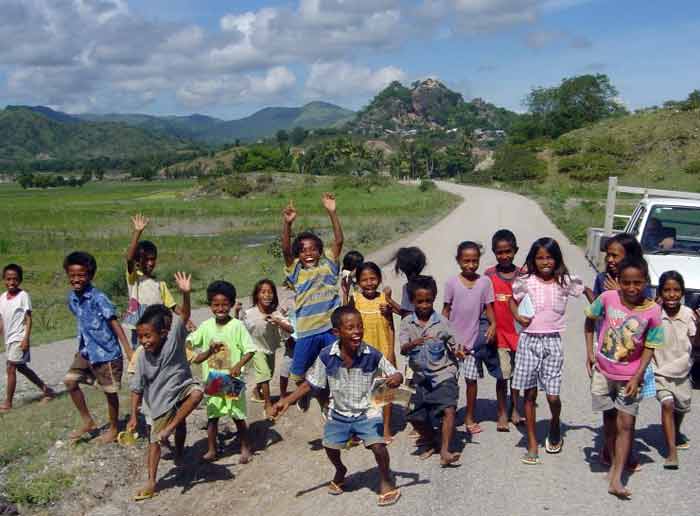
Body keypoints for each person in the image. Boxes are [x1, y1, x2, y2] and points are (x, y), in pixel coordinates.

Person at [272, 306, 403, 507]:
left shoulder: (372, 354)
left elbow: (395, 373)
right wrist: (287, 401)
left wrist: (396, 378)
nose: (357, 331)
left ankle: (386, 479)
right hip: (339, 412)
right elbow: (310, 383)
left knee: (378, 446)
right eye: (350, 327)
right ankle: (340, 469)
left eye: (359, 326)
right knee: (330, 446)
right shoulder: (326, 355)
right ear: (336, 333)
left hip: (367, 411)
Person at [584, 256, 664, 498]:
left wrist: (638, 376)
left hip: (630, 378)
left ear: (646, 282)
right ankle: (610, 453)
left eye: (638, 283)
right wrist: (590, 352)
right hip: (603, 373)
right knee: (609, 419)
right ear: (618, 281)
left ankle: (617, 478)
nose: (632, 288)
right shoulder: (607, 299)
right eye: (626, 282)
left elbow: (650, 346)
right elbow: (589, 320)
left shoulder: (653, 311)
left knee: (627, 424)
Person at [127, 272, 204, 501]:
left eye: (148, 336)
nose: (144, 341)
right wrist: (133, 416)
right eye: (140, 337)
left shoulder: (174, 339)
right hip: (159, 401)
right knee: (155, 441)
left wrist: (185, 294)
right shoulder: (142, 356)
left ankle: (178, 450)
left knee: (197, 393)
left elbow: (185, 315)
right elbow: (136, 387)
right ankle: (151, 480)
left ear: (162, 333)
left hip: (182, 387)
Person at [510, 238, 584, 464]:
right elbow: (512, 302)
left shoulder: (564, 281)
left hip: (552, 341)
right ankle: (532, 443)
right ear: (533, 260)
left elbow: (588, 292)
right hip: (529, 341)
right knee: (529, 395)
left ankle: (554, 422)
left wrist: (608, 306)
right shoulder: (526, 281)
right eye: (540, 257)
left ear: (557, 259)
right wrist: (517, 316)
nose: (545, 262)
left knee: (552, 396)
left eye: (549, 257)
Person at [584, 232, 650, 470]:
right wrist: (599, 294)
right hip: (607, 349)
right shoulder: (602, 278)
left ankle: (626, 451)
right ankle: (609, 449)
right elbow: (596, 310)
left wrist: (622, 292)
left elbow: (646, 311)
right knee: (608, 408)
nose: (610, 259)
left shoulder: (639, 282)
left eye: (615, 255)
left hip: (632, 355)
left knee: (628, 410)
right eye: (608, 254)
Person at [63, 251, 133, 443]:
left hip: (107, 353)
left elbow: (113, 322)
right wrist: (81, 345)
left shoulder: (98, 298)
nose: (76, 279)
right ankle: (88, 421)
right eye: (72, 275)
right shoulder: (72, 298)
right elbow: (82, 322)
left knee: (110, 391)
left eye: (81, 275)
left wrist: (127, 349)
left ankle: (113, 427)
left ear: (90, 275)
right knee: (70, 381)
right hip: (87, 352)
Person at [281, 193, 343, 395]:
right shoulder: (297, 273)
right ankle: (305, 395)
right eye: (303, 250)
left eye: (313, 249)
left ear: (320, 252)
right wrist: (288, 225)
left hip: (329, 329)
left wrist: (332, 212)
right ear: (298, 255)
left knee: (337, 368)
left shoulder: (329, 269)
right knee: (298, 374)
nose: (308, 253)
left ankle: (330, 400)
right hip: (307, 331)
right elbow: (286, 252)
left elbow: (339, 241)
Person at [188, 280, 256, 463]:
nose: (220, 308)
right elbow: (190, 341)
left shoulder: (237, 326)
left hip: (232, 379)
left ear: (232, 304)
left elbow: (250, 350)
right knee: (213, 416)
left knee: (237, 416)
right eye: (216, 304)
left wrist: (237, 366)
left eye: (225, 304)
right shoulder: (206, 326)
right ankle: (212, 450)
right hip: (213, 379)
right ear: (210, 305)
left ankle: (245, 447)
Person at [401, 276, 463, 467]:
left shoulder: (442, 323)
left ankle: (445, 450)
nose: (425, 305)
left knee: (449, 409)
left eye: (428, 300)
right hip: (420, 376)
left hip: (443, 372)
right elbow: (403, 349)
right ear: (412, 301)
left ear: (434, 298)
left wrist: (460, 351)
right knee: (414, 416)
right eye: (420, 301)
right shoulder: (407, 323)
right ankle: (433, 439)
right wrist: (413, 343)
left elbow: (455, 344)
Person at [442, 241, 495, 433]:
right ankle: (449, 415)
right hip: (452, 345)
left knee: (471, 381)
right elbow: (445, 311)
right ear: (458, 261)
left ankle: (470, 416)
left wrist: (493, 324)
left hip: (472, 344)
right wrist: (443, 336)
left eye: (475, 261)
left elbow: (489, 308)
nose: (470, 265)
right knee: (449, 382)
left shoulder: (484, 283)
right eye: (466, 261)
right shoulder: (451, 283)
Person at [653, 271, 699, 469]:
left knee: (681, 407)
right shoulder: (655, 313)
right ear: (660, 292)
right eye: (667, 290)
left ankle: (676, 430)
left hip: (682, 370)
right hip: (659, 370)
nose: (671, 294)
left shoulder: (689, 315)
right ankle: (671, 452)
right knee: (667, 404)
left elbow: (696, 343)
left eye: (676, 290)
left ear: (682, 293)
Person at [349, 261, 396, 443]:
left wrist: (391, 352)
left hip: (383, 350)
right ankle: (358, 429)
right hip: (361, 353)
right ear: (358, 282)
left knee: (384, 392)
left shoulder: (384, 299)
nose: (369, 283)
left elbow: (391, 327)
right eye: (364, 280)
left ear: (379, 279)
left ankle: (385, 429)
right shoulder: (355, 299)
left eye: (373, 279)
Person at [0, 264, 55, 412]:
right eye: (9, 279)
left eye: (15, 279)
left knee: (11, 368)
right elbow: (2, 319)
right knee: (22, 368)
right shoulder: (2, 298)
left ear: (20, 280)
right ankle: (46, 389)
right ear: (4, 280)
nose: (12, 282)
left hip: (19, 338)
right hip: (9, 339)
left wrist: (26, 339)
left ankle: (8, 403)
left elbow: (28, 318)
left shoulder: (23, 296)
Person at [484, 230, 524, 427]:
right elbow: (484, 303)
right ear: (494, 252)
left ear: (515, 251)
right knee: (502, 376)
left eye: (508, 251)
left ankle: (516, 408)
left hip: (519, 334)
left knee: (518, 376)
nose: (505, 256)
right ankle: (501, 412)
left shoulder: (524, 275)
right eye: (500, 252)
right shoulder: (489, 275)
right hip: (499, 335)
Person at [124, 214, 178, 350]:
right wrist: (138, 232)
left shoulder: (160, 284)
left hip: (158, 329)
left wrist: (187, 319)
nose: (149, 263)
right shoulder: (134, 279)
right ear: (138, 262)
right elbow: (129, 258)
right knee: (141, 357)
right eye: (145, 260)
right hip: (140, 329)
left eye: (152, 259)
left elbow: (173, 306)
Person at [243, 279, 293, 418]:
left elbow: (290, 328)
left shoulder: (275, 313)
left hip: (270, 349)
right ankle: (268, 404)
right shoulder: (249, 313)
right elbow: (240, 328)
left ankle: (256, 391)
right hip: (256, 348)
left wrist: (277, 321)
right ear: (257, 295)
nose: (267, 295)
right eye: (263, 292)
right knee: (264, 373)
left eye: (270, 292)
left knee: (268, 375)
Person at [389, 246, 427, 317]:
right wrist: (391, 308)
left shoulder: (408, 287)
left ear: (401, 268)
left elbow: (407, 315)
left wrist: (389, 300)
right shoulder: (427, 284)